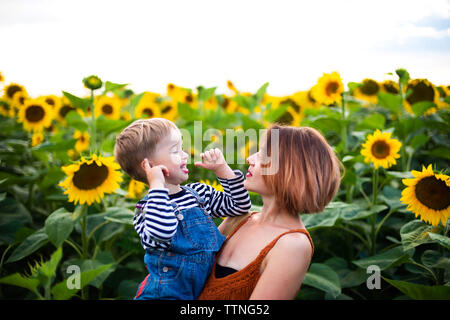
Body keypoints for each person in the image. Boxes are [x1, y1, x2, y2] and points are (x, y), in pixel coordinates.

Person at [199, 124, 342, 300]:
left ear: (287, 169)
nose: (250, 159)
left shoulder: (292, 245)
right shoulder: (239, 220)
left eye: (262, 155)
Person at [113, 118, 252, 300]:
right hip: (164, 295)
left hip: (202, 292)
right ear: (151, 166)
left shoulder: (198, 194)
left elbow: (239, 206)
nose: (185, 155)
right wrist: (157, 184)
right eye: (175, 151)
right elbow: (163, 232)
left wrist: (223, 170)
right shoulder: (146, 210)